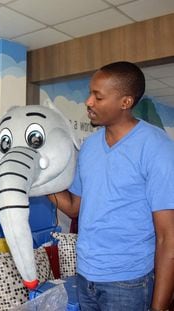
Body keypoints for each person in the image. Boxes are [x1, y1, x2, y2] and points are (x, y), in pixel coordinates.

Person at [49, 61, 174, 311]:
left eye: (98, 96)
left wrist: (158, 307)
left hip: (129, 282)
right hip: (85, 276)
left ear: (125, 102)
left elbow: (168, 237)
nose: (88, 102)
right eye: (90, 93)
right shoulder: (89, 147)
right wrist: (40, 182)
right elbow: (75, 208)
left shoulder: (156, 147)